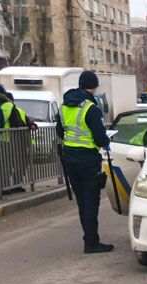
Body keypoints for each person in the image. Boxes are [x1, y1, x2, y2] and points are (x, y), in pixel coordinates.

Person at [56, 70, 113, 254]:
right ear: (94, 86)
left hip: (70, 159)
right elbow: (99, 138)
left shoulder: (64, 106)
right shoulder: (90, 108)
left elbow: (60, 131)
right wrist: (106, 141)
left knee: (82, 201)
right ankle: (91, 242)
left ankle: (89, 238)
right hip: (88, 160)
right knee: (91, 201)